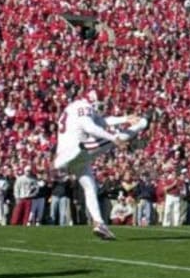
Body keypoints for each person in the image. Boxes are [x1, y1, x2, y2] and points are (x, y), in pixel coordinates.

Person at [53, 89, 145, 240]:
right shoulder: (83, 108)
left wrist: (125, 118)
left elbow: (102, 122)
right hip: (76, 150)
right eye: (99, 104)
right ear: (92, 101)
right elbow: (91, 128)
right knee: (116, 138)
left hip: (71, 158)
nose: (100, 107)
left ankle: (99, 223)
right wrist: (113, 138)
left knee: (90, 188)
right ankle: (143, 124)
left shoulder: (75, 108)